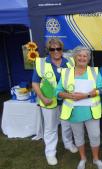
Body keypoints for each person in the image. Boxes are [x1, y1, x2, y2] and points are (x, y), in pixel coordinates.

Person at [56, 46, 102, 169]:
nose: (82, 58)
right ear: (75, 57)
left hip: (91, 111)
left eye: (85, 56)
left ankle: (95, 159)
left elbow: (101, 89)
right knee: (78, 137)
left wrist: (86, 95)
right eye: (80, 55)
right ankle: (83, 158)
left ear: (88, 59)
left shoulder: (94, 72)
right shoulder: (66, 72)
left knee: (95, 136)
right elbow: (58, 92)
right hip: (74, 112)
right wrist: (68, 95)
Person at [32, 38, 77, 166]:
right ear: (48, 50)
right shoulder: (41, 63)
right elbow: (35, 83)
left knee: (67, 124)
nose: (56, 51)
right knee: (51, 128)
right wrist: (42, 98)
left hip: (66, 100)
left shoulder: (70, 62)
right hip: (48, 101)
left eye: (58, 49)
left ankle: (68, 144)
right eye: (52, 49)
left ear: (62, 50)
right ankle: (50, 153)